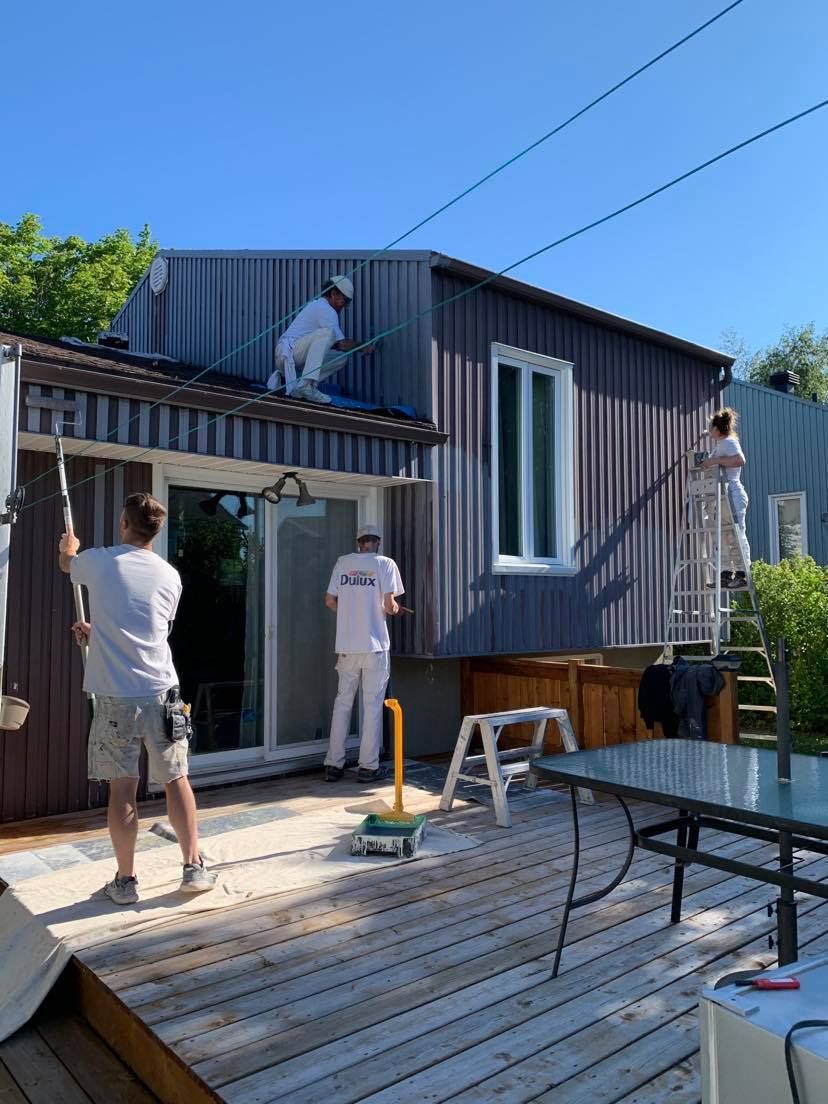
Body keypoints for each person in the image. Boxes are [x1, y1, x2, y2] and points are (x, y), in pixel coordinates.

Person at [58, 492, 216, 905]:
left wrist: (68, 549)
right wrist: (101, 633)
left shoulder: (99, 560)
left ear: (125, 524)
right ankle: (194, 868)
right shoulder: (169, 576)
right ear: (156, 532)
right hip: (161, 691)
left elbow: (66, 566)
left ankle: (126, 882)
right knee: (176, 779)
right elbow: (150, 630)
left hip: (115, 696)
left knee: (123, 789)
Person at [323, 524, 404, 783]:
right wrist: (396, 609)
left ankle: (333, 765)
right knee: (371, 707)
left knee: (342, 702)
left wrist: (350, 616)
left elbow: (329, 600)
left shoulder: (342, 563)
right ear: (377, 542)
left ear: (359, 542)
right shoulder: (385, 564)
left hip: (347, 646)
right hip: (375, 646)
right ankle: (368, 767)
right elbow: (389, 606)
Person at [267, 275, 374, 404]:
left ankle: (302, 386)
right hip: (287, 354)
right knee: (327, 334)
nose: (344, 306)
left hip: (292, 355)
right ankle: (305, 386)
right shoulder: (326, 310)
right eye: (345, 301)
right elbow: (341, 344)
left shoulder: (321, 306)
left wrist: (361, 346)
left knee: (340, 357)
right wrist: (364, 346)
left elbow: (335, 346)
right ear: (334, 294)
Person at [701, 407, 750, 588]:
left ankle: (743, 573)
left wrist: (713, 461)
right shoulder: (721, 446)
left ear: (716, 429)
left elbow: (739, 460)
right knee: (722, 535)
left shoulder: (729, 442)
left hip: (732, 493)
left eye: (710, 426)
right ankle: (726, 573)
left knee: (736, 533)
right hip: (720, 496)